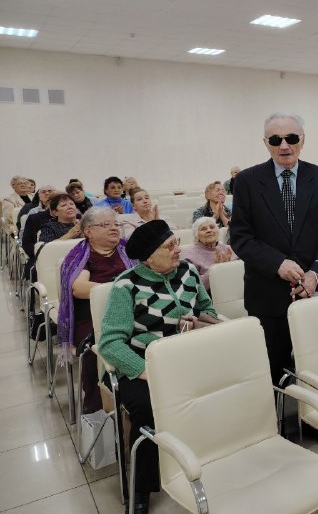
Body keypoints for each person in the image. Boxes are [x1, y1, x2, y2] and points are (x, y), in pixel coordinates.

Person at [99, 220, 218, 514]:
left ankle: (212, 460)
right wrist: (148, 372)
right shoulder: (126, 285)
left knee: (222, 387)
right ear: (149, 256)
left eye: (176, 242)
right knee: (147, 408)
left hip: (186, 356)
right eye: (170, 246)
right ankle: (142, 487)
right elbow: (110, 343)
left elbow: (206, 309)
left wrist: (200, 321)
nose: (178, 249)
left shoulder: (188, 272)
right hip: (141, 364)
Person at [230, 113, 318, 385]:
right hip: (267, 295)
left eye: (291, 138)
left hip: (313, 290)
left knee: (317, 370)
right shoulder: (246, 181)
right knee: (272, 373)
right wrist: (277, 263)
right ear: (265, 143)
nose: (284, 146)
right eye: (275, 140)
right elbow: (241, 237)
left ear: (302, 140)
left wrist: (314, 273)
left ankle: (315, 412)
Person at [58, 207, 135, 415]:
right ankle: (97, 406)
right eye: (105, 225)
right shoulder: (80, 255)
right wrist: (118, 290)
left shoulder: (128, 249)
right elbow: (79, 288)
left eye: (116, 224)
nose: (114, 228)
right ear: (88, 231)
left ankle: (134, 398)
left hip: (130, 309)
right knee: (96, 348)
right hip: (92, 317)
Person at [181, 216, 238, 290]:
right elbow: (193, 286)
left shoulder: (228, 249)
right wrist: (215, 269)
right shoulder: (190, 256)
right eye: (203, 229)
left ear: (217, 231)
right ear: (196, 235)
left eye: (212, 227)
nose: (209, 230)